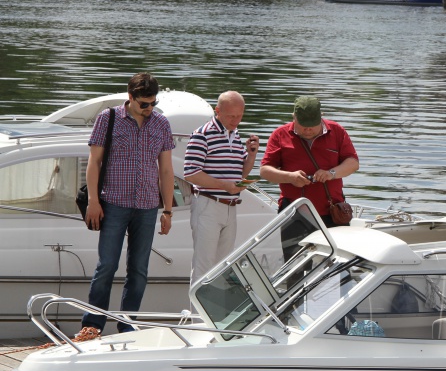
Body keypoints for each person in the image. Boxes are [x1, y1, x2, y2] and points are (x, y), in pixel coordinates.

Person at [79, 72, 175, 335]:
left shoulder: (161, 124)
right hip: (113, 203)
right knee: (107, 265)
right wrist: (93, 201)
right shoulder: (107, 119)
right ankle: (92, 326)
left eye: (153, 103)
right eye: (144, 103)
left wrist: (167, 210)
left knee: (139, 270)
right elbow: (94, 162)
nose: (149, 108)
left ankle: (127, 326)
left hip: (147, 207)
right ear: (130, 97)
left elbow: (166, 170)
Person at [260, 96, 358, 256]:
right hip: (294, 213)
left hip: (332, 212)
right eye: (303, 126)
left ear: (321, 118)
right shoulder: (280, 135)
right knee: (294, 267)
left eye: (312, 126)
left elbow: (353, 163)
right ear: (294, 118)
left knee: (337, 264)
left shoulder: (337, 131)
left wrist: (331, 173)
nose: (308, 130)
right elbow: (265, 171)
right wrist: (290, 177)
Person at [183, 90, 260, 286]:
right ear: (218, 111)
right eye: (231, 116)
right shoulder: (202, 134)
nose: (236, 120)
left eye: (239, 116)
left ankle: (211, 315)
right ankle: (197, 317)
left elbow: (240, 174)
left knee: (223, 268)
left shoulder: (234, 134)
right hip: (208, 205)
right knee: (203, 266)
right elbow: (191, 173)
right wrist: (224, 185)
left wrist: (251, 156)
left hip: (229, 206)